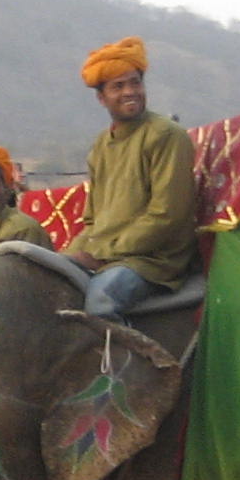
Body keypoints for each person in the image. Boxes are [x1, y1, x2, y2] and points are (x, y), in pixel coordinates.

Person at [63, 37, 197, 318]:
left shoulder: (166, 135)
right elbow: (92, 219)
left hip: (153, 260)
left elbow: (166, 215)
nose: (130, 92)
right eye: (118, 86)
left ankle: (123, 349)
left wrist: (103, 253)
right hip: (107, 254)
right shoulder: (101, 145)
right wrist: (70, 254)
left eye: (135, 83)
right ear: (101, 98)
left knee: (101, 302)